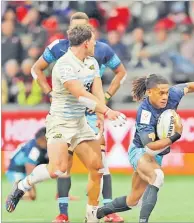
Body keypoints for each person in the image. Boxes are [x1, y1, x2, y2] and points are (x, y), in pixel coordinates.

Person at [5, 24, 126, 223]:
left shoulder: (92, 62)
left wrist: (101, 117)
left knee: (97, 167)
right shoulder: (64, 65)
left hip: (81, 122)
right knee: (58, 170)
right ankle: (23, 185)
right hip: (60, 122)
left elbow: (96, 91)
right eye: (94, 40)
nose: (96, 43)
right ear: (86, 43)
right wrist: (107, 111)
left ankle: (92, 215)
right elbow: (80, 95)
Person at [94, 75, 194, 222]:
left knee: (132, 201)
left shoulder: (173, 95)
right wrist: (176, 135)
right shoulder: (145, 113)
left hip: (157, 153)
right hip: (141, 151)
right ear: (149, 92)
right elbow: (150, 147)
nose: (165, 96)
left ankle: (97, 214)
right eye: (160, 93)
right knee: (157, 177)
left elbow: (189, 86)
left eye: (166, 92)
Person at [6, 127, 48, 201]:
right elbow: (29, 167)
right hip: (16, 171)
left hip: (24, 171)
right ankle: (11, 197)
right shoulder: (35, 149)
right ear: (42, 139)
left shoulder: (41, 146)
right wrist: (32, 188)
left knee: (31, 196)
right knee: (29, 196)